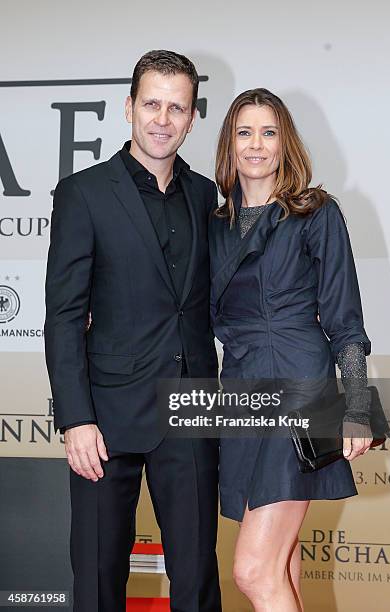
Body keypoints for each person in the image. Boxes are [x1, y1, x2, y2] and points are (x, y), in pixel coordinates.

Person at [44, 50, 221, 612]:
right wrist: (75, 418)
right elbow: (65, 316)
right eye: (152, 103)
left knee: (196, 581)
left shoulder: (204, 195)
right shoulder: (83, 193)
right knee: (97, 581)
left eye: (177, 107)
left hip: (191, 410)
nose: (162, 118)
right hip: (106, 419)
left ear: (193, 117)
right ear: (128, 108)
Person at [209, 88, 373, 611]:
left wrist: (357, 408)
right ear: (229, 143)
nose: (256, 144)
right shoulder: (214, 224)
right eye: (244, 132)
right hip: (240, 393)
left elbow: (345, 320)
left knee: (254, 572)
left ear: (286, 143)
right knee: (282, 563)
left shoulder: (317, 213)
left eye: (269, 132)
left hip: (303, 389)